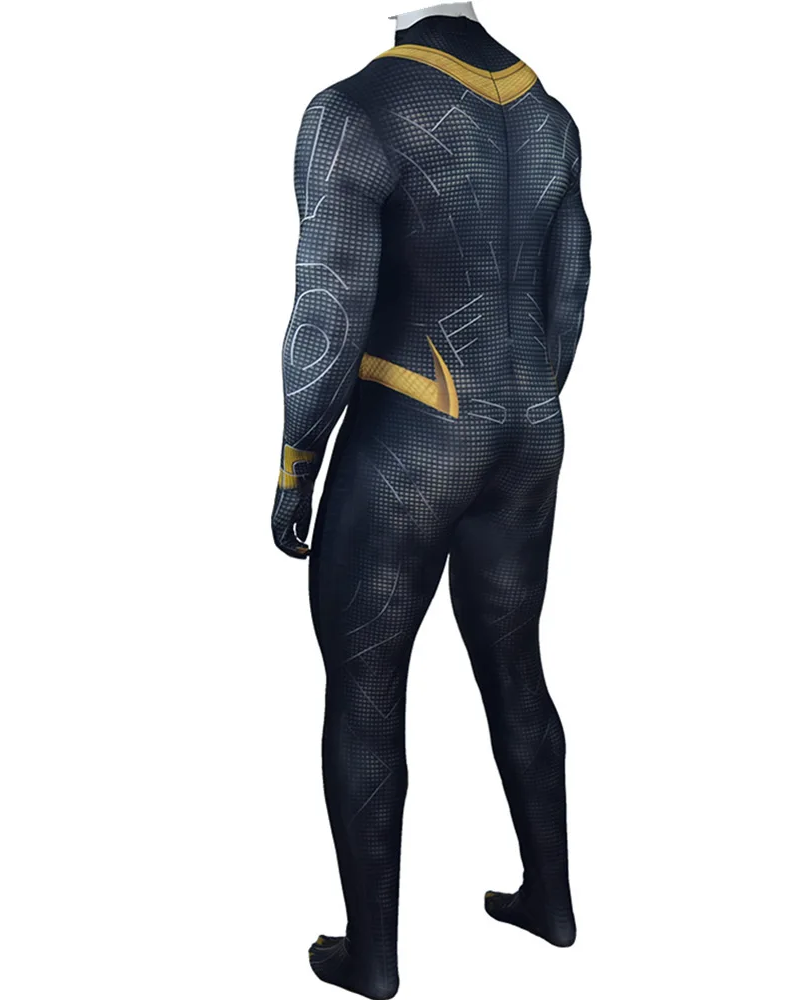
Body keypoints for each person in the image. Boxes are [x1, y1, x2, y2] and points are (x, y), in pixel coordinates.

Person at [271, 5, 591, 996]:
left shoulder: (353, 110)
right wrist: (524, 405)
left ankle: (372, 956)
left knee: (366, 685)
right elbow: (569, 289)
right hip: (527, 427)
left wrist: (296, 460)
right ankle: (550, 900)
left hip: (409, 435)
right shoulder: (549, 115)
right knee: (514, 664)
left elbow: (330, 304)